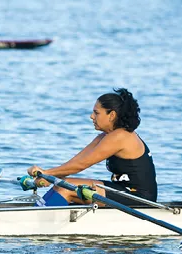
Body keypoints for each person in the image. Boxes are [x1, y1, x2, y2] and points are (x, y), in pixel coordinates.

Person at [27, 88, 157, 207]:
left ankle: (36, 220)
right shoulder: (104, 136)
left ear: (112, 115)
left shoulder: (120, 136)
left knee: (66, 187)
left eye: (96, 113)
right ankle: (38, 212)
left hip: (139, 198)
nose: (91, 116)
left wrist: (47, 174)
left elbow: (81, 165)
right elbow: (75, 162)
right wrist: (51, 177)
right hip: (119, 189)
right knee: (62, 184)